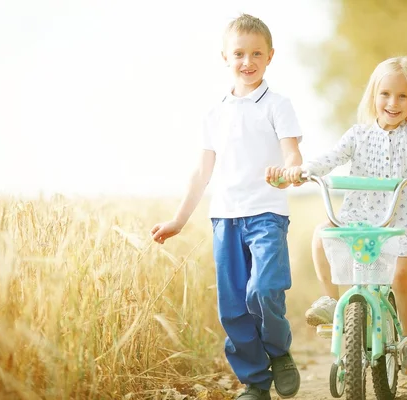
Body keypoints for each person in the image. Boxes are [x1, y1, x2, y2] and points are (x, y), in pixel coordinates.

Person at [150, 14, 302, 400]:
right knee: (233, 306)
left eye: (256, 53)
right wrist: (178, 220)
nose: (247, 61)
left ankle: (280, 353)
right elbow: (202, 172)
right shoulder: (214, 113)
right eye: (239, 53)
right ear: (225, 57)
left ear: (270, 56)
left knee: (263, 290)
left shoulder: (278, 105)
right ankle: (255, 382)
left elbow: (292, 153)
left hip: (267, 214)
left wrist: (292, 172)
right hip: (225, 218)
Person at [279, 56, 407, 376]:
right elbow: (333, 157)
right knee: (321, 235)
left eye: (402, 96)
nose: (392, 102)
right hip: (358, 215)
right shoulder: (358, 135)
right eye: (385, 94)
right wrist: (304, 171)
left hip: (399, 221)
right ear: (374, 96)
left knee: (399, 275)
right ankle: (331, 300)